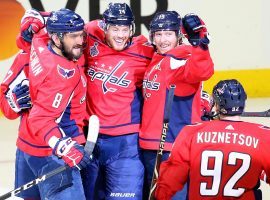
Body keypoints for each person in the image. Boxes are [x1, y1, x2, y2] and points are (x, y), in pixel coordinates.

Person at [17, 3, 154, 199]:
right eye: (115, 28)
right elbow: (55, 25)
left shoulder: (144, 49)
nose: (121, 35)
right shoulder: (88, 34)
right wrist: (35, 18)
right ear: (104, 26)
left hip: (125, 144)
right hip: (89, 140)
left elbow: (171, 68)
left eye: (125, 29)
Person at [1, 8, 91, 199]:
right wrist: (62, 146)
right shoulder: (60, 73)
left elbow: (44, 25)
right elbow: (39, 118)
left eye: (80, 35)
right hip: (54, 156)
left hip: (27, 149)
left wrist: (36, 15)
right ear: (57, 38)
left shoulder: (39, 41)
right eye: (73, 36)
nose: (80, 41)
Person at [139, 11, 214, 199]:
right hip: (152, 145)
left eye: (168, 34)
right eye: (158, 34)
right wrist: (202, 99)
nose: (163, 39)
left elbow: (201, 71)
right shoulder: (158, 57)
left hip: (172, 147)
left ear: (178, 36)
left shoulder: (178, 57)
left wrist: (200, 41)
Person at [155, 79, 270, 200]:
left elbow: (172, 178)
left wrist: (160, 194)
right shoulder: (263, 135)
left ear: (216, 104)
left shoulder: (191, 132)